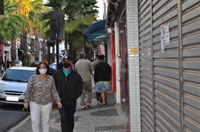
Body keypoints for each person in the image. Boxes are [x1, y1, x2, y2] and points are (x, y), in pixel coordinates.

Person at [24, 61, 62, 132]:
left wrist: (58, 101)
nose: (42, 69)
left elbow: (54, 90)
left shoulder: (50, 79)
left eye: (44, 67)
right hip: (35, 102)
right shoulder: (33, 78)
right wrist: (26, 101)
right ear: (38, 69)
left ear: (47, 69)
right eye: (41, 67)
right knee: (35, 120)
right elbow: (28, 90)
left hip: (47, 102)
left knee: (46, 121)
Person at [53, 55, 83, 132]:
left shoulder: (76, 75)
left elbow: (80, 86)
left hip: (72, 100)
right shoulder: (57, 74)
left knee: (70, 118)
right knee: (63, 118)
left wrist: (75, 95)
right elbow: (53, 87)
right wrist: (55, 98)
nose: (66, 62)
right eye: (64, 61)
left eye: (67, 61)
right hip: (61, 100)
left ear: (71, 62)